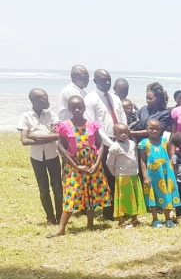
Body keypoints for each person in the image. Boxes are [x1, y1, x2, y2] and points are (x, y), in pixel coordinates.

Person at [47, 96, 111, 238]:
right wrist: (75, 164)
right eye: (73, 107)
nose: (77, 109)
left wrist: (96, 164)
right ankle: (61, 228)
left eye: (79, 107)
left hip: (92, 165)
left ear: (84, 108)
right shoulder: (64, 126)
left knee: (91, 192)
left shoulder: (92, 125)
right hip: (73, 166)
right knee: (72, 193)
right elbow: (61, 147)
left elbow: (100, 146)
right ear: (69, 109)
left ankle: (90, 223)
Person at [83, 69, 127, 220]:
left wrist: (123, 138)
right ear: (95, 81)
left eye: (109, 79)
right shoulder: (90, 99)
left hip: (120, 139)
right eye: (103, 80)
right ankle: (108, 213)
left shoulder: (115, 98)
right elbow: (93, 126)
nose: (107, 82)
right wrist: (110, 144)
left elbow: (123, 118)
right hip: (103, 142)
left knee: (121, 176)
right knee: (107, 178)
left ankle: (122, 209)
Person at [19, 88, 62, 225]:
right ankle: (50, 217)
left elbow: (59, 135)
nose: (48, 100)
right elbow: (25, 141)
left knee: (58, 188)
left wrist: (35, 136)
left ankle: (60, 217)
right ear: (34, 100)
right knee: (43, 189)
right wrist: (49, 138)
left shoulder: (52, 115)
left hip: (53, 156)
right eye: (44, 98)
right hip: (37, 158)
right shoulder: (26, 117)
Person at [139, 119, 181, 227]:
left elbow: (171, 155)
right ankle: (155, 219)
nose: (154, 131)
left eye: (157, 128)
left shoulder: (165, 140)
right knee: (153, 196)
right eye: (151, 128)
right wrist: (145, 177)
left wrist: (171, 167)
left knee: (166, 194)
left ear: (160, 129)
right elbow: (143, 161)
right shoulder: (143, 143)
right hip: (152, 175)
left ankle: (168, 219)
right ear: (147, 129)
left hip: (166, 173)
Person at [107, 123, 146, 227]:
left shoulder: (132, 143)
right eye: (120, 133)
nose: (123, 134)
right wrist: (116, 174)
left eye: (125, 132)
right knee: (122, 198)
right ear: (115, 134)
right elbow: (109, 163)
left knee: (134, 197)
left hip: (133, 175)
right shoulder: (114, 147)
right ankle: (121, 221)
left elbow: (135, 157)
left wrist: (136, 171)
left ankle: (134, 219)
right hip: (122, 177)